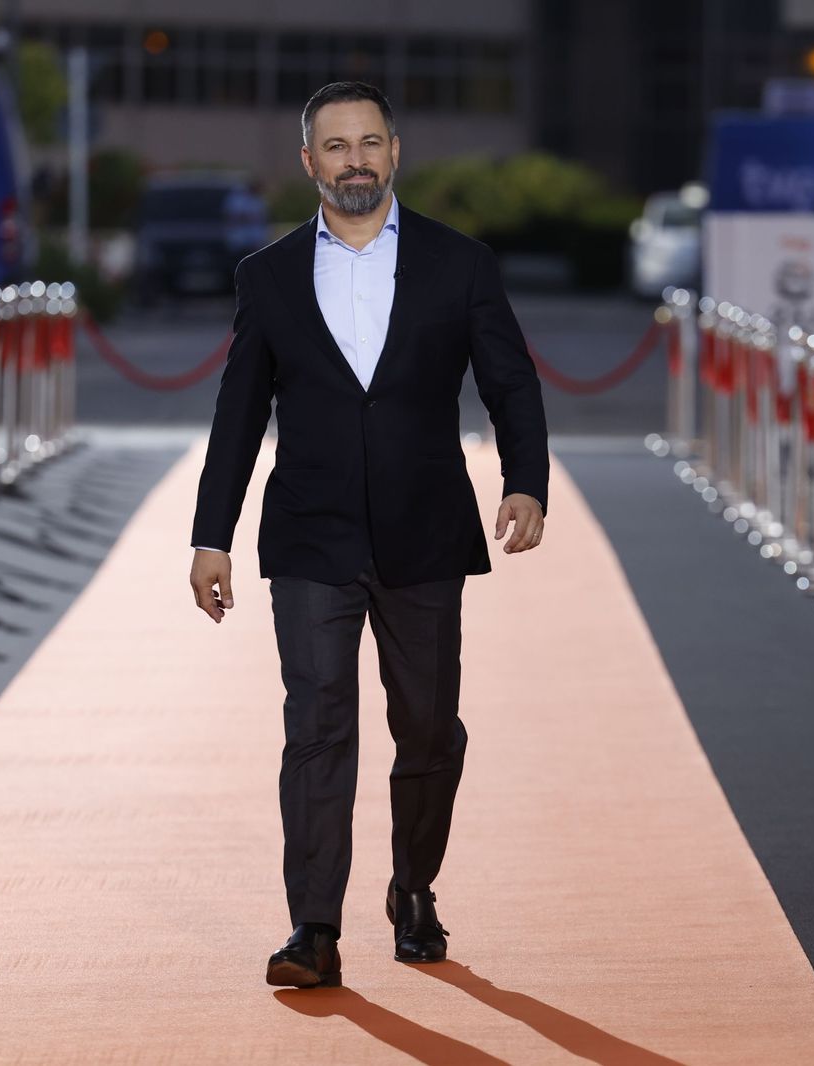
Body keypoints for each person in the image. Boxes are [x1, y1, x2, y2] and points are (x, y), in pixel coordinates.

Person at [187, 81, 549, 990]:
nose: (356, 160)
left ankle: (414, 887)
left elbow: (511, 382)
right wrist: (210, 536)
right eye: (336, 146)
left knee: (427, 729)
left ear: (396, 151)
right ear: (308, 163)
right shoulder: (266, 277)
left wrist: (525, 481)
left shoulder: (460, 264)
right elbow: (238, 415)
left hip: (426, 530)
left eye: (371, 142)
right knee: (316, 725)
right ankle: (312, 927)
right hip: (310, 535)